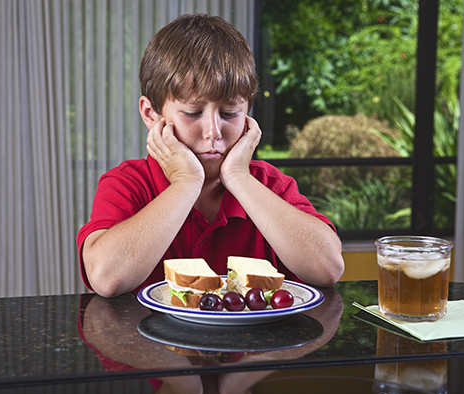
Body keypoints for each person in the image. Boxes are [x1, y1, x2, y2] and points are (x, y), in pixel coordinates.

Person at [77, 13, 344, 298]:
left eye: (230, 113)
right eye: (193, 113)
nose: (213, 131)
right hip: (149, 342)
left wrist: (238, 177)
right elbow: (106, 277)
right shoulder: (128, 183)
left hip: (255, 343)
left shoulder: (268, 185)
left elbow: (328, 267)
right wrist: (185, 183)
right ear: (150, 115)